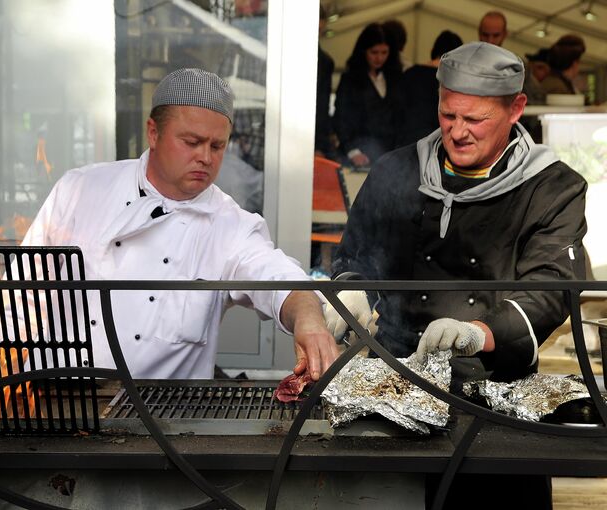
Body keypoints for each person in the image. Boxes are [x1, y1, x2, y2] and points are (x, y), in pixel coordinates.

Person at [324, 42, 587, 509]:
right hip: (391, 385)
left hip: (497, 395)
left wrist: (476, 333)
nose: (458, 132)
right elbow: (355, 256)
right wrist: (353, 295)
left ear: (516, 109)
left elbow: (550, 290)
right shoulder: (396, 170)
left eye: (475, 120)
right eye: (448, 116)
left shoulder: (551, 186)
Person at [20, 68, 338, 381]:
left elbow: (278, 277)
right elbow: (21, 294)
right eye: (192, 142)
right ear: (153, 133)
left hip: (161, 417)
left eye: (217, 146)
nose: (206, 157)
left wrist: (309, 318)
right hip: (53, 401)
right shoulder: (81, 190)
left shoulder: (229, 226)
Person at [333, 22, 403, 168]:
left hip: (388, 156)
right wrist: (352, 151)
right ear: (364, 51)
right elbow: (341, 118)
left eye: (384, 53)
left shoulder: (395, 79)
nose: (379, 58)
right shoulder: (350, 80)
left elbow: (401, 119)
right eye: (374, 52)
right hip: (357, 154)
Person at [398, 30, 463, 147]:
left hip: (404, 142)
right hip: (432, 145)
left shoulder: (410, 73)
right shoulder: (451, 81)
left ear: (434, 49)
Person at [315, 6, 336, 158]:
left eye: (320, 30)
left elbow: (322, 107)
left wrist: (319, 145)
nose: (316, 35)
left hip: (312, 139)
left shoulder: (325, 62)